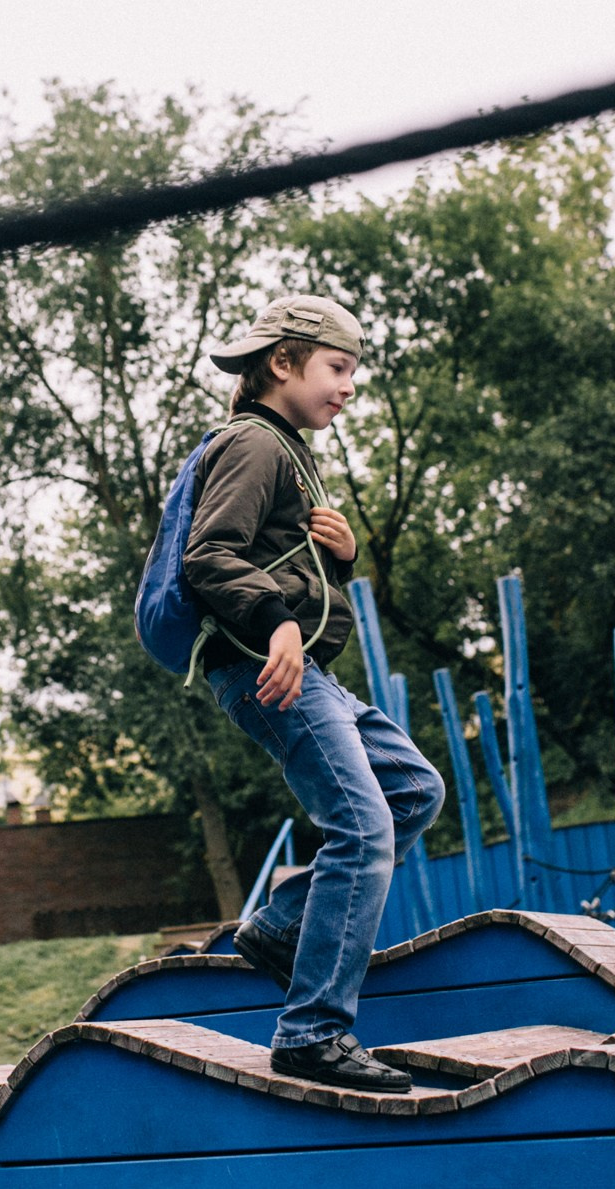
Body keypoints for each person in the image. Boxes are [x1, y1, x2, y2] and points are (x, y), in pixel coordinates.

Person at [183, 294, 445, 1094]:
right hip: (269, 669)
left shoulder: (289, 451)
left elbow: (283, 565)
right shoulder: (254, 444)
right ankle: (311, 1031)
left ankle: (277, 930)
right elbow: (209, 556)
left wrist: (342, 553)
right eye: (337, 368)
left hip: (310, 674)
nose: (348, 386)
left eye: (353, 371)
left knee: (412, 791)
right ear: (284, 364)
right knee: (363, 826)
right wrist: (276, 624)